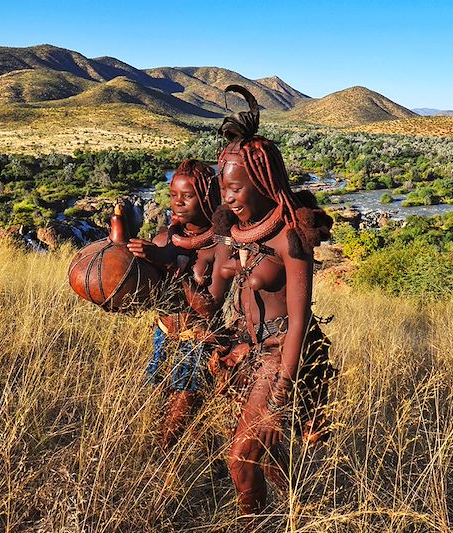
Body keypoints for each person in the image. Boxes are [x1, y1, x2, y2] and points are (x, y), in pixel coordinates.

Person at [208, 85, 335, 520]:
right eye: (223, 188)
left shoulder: (290, 238)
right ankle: (304, 513)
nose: (228, 197)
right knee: (268, 456)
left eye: (237, 188)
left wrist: (282, 387)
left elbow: (299, 321)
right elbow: (213, 296)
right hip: (245, 351)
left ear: (263, 183)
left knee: (240, 460)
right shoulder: (231, 230)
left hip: (279, 356)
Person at [126, 159, 222, 450]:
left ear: (207, 199)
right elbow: (147, 294)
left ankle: (163, 479)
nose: (177, 203)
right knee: (165, 407)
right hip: (163, 335)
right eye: (173, 195)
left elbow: (208, 308)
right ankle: (208, 467)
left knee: (175, 420)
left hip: (196, 343)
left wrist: (167, 263)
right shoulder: (162, 238)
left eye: (187, 196)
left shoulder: (220, 245)